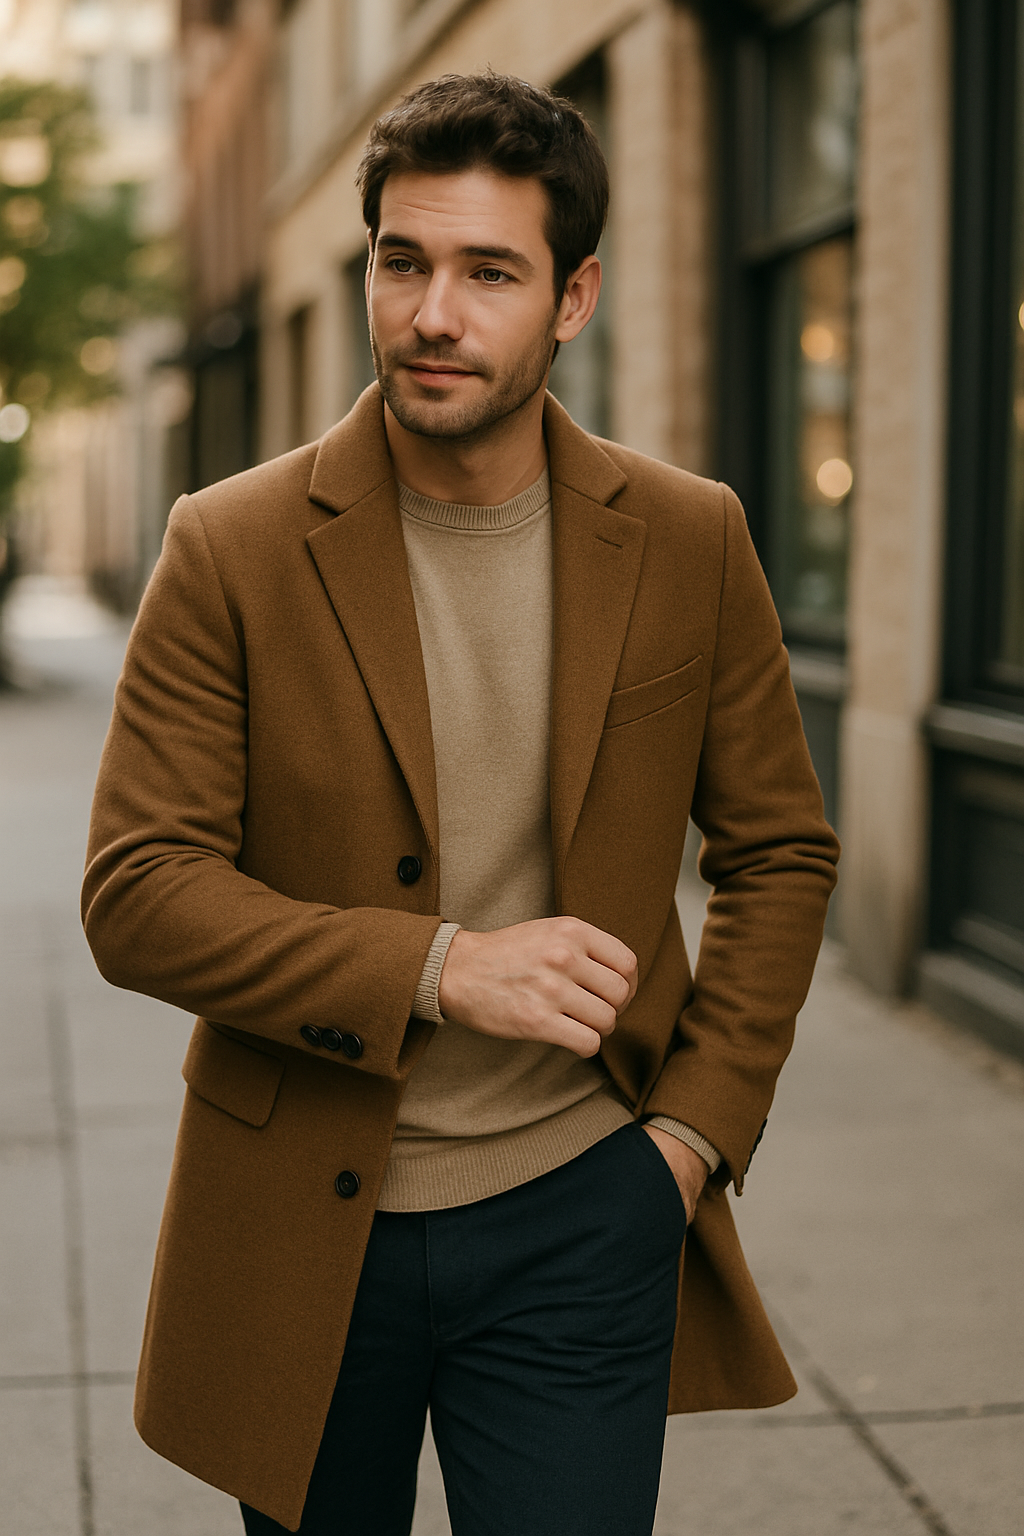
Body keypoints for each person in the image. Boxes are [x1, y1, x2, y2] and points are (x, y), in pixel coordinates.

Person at [83, 72, 839, 1536]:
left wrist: (688, 1142)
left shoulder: (690, 538)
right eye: (402, 261)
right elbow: (139, 891)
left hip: (584, 1208)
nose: (433, 313)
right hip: (300, 1220)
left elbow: (781, 853)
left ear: (573, 299)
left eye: (490, 272)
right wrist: (439, 968)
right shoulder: (229, 547)